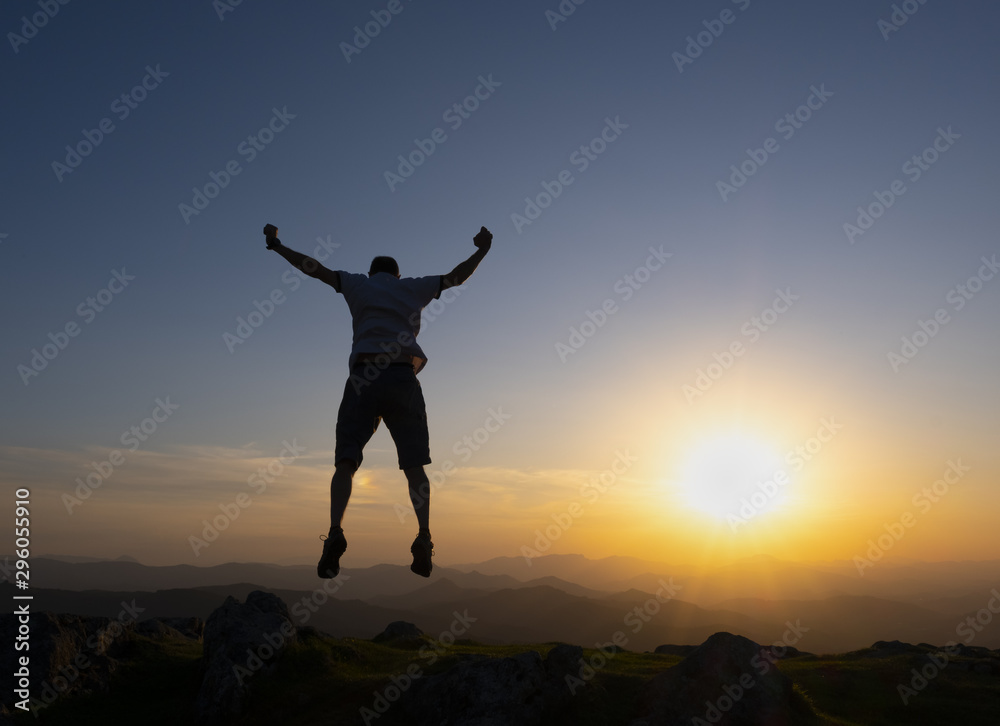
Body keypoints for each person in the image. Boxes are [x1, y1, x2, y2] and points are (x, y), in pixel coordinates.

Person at [262, 223, 493, 578]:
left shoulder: (357, 284)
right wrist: (482, 250)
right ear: (397, 275)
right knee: (415, 466)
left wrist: (277, 246)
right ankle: (424, 536)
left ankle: (335, 532)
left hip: (363, 377)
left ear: (372, 273)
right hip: (402, 376)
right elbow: (455, 278)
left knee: (346, 462)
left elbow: (313, 268)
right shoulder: (411, 287)